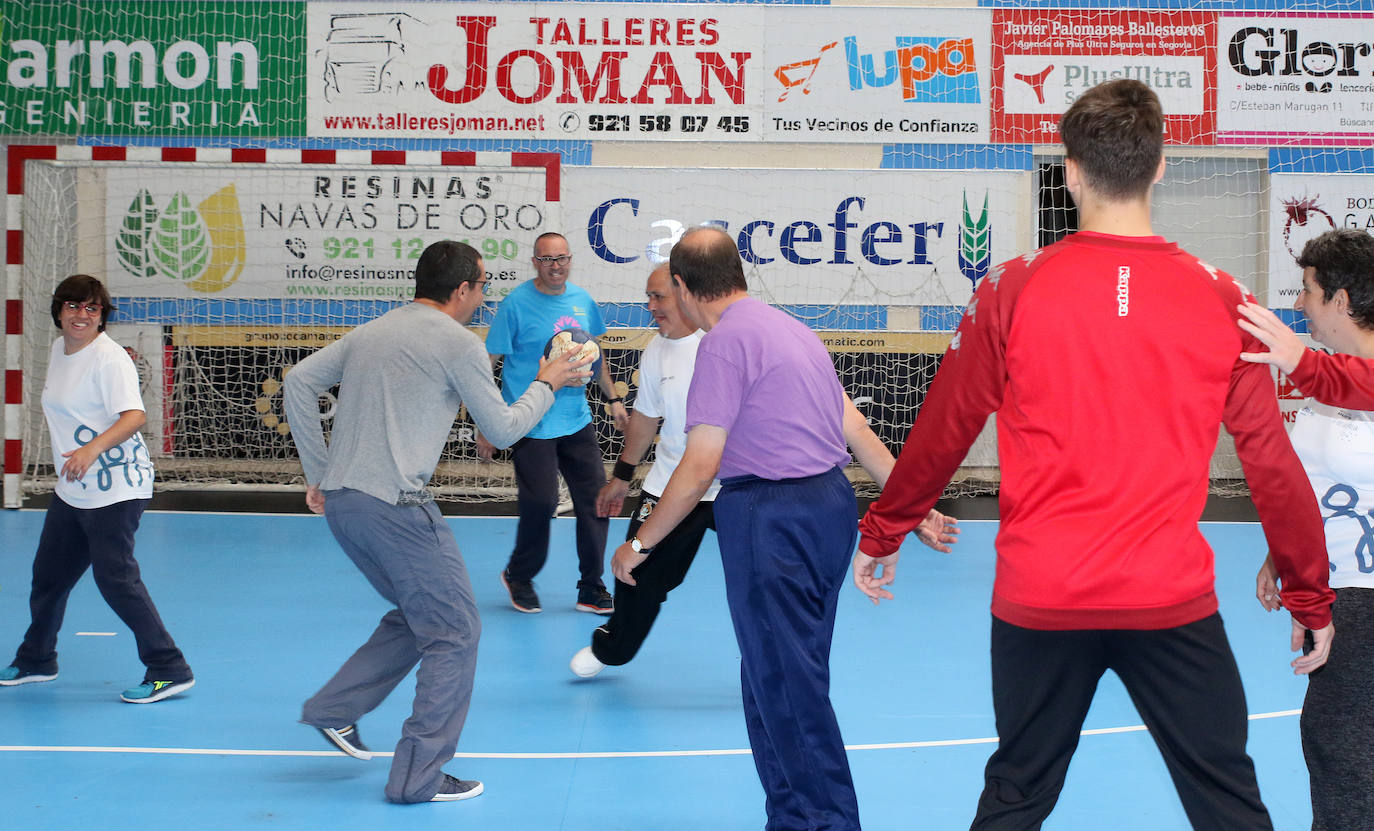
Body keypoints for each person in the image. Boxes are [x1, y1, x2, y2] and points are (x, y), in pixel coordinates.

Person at [853, 79, 1334, 830]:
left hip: (1040, 596)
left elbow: (944, 430)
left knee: (1016, 792)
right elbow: (1271, 464)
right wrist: (1309, 594)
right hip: (1168, 601)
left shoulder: (1009, 288)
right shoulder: (1221, 298)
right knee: (1229, 803)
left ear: (1069, 170)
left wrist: (885, 527)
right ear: (1164, 165)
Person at [610, 226, 958, 830]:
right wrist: (913, 503)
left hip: (769, 517)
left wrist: (641, 543)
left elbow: (698, 469)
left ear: (688, 289)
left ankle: (827, 822)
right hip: (828, 508)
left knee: (787, 686)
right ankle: (793, 818)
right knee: (775, 674)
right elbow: (857, 431)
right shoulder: (794, 331)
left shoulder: (723, 345)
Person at [283, 240, 591, 804]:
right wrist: (549, 382)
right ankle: (417, 777)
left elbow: (298, 383)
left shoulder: (374, 330)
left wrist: (319, 472)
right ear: (461, 290)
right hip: (397, 508)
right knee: (455, 631)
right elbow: (502, 431)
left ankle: (335, 708)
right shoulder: (457, 343)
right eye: (480, 287)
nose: (483, 298)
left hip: (347, 506)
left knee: (420, 613)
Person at [0, 275, 193, 704]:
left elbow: (133, 417)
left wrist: (91, 449)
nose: (81, 315)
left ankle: (169, 668)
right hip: (75, 486)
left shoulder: (110, 359)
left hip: (118, 485)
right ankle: (37, 658)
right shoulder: (58, 350)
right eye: (73, 306)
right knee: (48, 577)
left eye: (91, 308)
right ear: (59, 311)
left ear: (102, 314)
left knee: (116, 578)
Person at [1237, 228, 1374, 831]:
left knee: (1345, 753)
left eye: (1309, 290)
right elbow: (1310, 483)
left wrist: (1297, 359)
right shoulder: (1322, 388)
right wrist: (1287, 554)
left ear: (1342, 300)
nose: (1299, 303)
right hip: (1340, 591)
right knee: (1335, 749)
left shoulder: (1331, 376)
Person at [569, 264, 719, 679]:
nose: (650, 306)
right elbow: (646, 417)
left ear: (685, 293)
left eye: (658, 297)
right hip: (673, 482)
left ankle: (772, 661)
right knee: (634, 572)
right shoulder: (657, 348)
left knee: (761, 579)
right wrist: (622, 475)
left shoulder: (720, 343)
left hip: (734, 487)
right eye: (647, 297)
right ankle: (612, 650)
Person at [479, 231, 628, 615]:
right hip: (531, 422)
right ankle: (520, 575)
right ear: (534, 263)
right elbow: (489, 363)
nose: (556, 266)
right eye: (547, 259)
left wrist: (612, 398)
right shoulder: (515, 305)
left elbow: (595, 357)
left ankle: (591, 587)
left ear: (570, 259)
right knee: (541, 502)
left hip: (575, 419)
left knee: (596, 502)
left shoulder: (582, 301)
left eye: (562, 258)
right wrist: (486, 420)